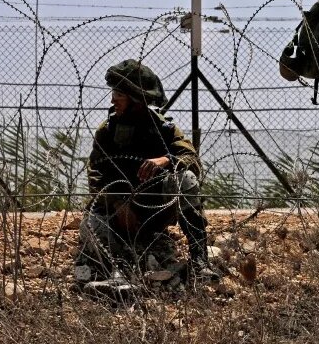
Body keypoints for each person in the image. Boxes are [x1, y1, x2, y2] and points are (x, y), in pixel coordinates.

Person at [75, 59, 219, 292]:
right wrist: (118, 203)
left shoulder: (164, 129)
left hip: (154, 210)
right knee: (90, 220)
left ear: (136, 100)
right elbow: (96, 175)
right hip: (117, 214)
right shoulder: (107, 131)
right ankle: (120, 272)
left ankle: (200, 261)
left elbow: (192, 160)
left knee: (186, 180)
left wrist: (167, 160)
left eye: (119, 95)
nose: (113, 100)